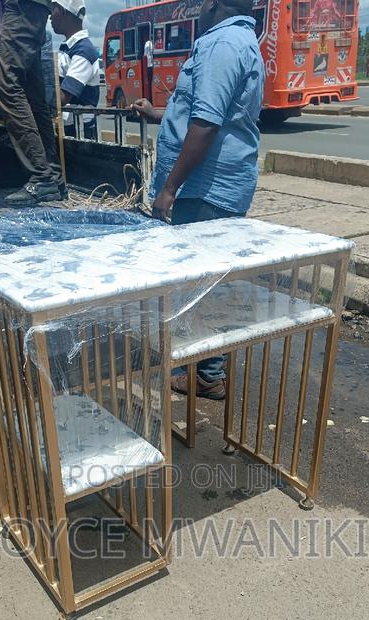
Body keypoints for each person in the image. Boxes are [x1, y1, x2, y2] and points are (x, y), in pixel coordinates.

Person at [132, 0, 264, 401]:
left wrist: (167, 190)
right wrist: (159, 114)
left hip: (204, 190)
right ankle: (204, 369)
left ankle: (206, 374)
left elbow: (206, 124)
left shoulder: (222, 43)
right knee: (208, 282)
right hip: (214, 188)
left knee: (202, 286)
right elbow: (207, 111)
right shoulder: (239, 40)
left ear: (213, 4)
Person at [0, 0, 65, 204]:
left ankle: (43, 177)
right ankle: (52, 176)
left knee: (6, 83)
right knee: (33, 94)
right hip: (31, 7)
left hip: (23, 7)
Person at [51, 0, 100, 141]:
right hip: (68, 127)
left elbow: (63, 97)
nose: (50, 16)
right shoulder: (69, 48)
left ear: (63, 11)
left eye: (53, 9)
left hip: (78, 132)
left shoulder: (83, 51)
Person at [143, 37, 154, 103]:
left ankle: (150, 99)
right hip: (152, 65)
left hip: (148, 65)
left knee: (149, 83)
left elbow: (145, 55)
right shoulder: (152, 43)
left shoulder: (147, 43)